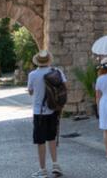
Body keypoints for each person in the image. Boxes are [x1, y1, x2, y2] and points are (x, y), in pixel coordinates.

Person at [27, 50, 66, 178]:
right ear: (49, 60)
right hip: (53, 110)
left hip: (39, 112)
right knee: (51, 139)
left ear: (38, 61)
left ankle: (43, 170)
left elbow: (31, 92)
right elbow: (64, 87)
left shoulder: (33, 74)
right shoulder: (57, 72)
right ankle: (55, 165)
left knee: (40, 141)